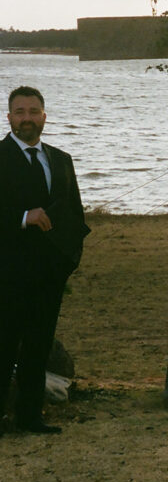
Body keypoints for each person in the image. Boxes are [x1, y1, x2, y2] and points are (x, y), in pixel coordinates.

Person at [0, 87, 90, 435]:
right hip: (7, 271)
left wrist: (69, 260)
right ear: (9, 118)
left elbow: (74, 213)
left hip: (49, 274)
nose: (27, 118)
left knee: (39, 344)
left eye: (34, 111)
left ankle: (30, 417)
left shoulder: (61, 159)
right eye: (20, 112)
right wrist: (23, 216)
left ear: (44, 116)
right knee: (4, 344)